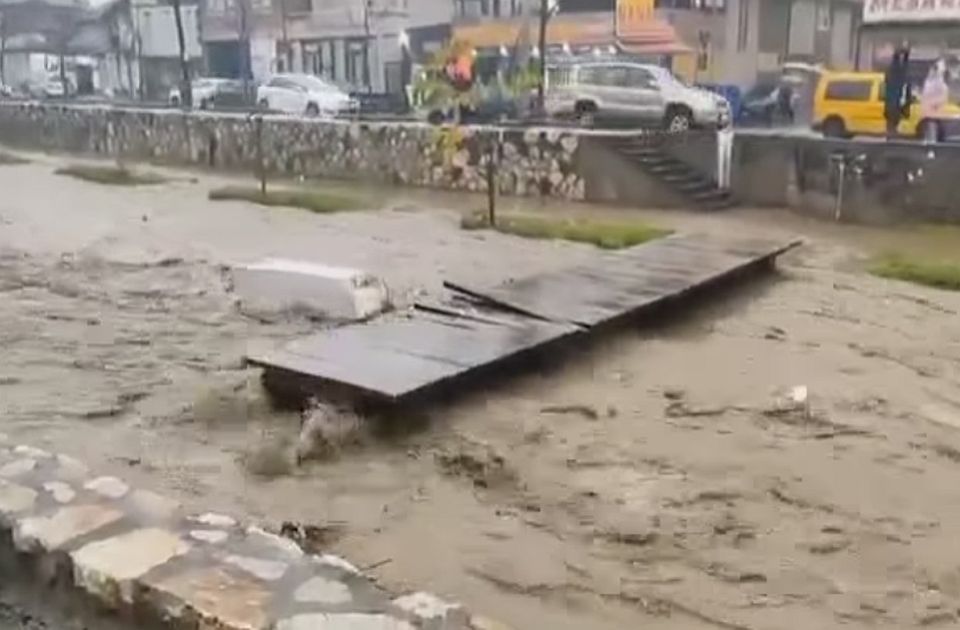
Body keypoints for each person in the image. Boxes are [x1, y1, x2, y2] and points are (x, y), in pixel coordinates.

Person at [884, 45, 911, 138]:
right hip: (894, 103)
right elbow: (903, 71)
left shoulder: (892, 76)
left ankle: (891, 136)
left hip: (894, 102)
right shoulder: (895, 75)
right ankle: (892, 136)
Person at [920, 59, 948, 143]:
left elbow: (942, 98)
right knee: (929, 133)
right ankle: (929, 147)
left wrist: (932, 104)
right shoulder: (929, 82)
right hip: (928, 115)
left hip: (934, 115)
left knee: (932, 134)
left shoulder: (938, 83)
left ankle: (931, 148)